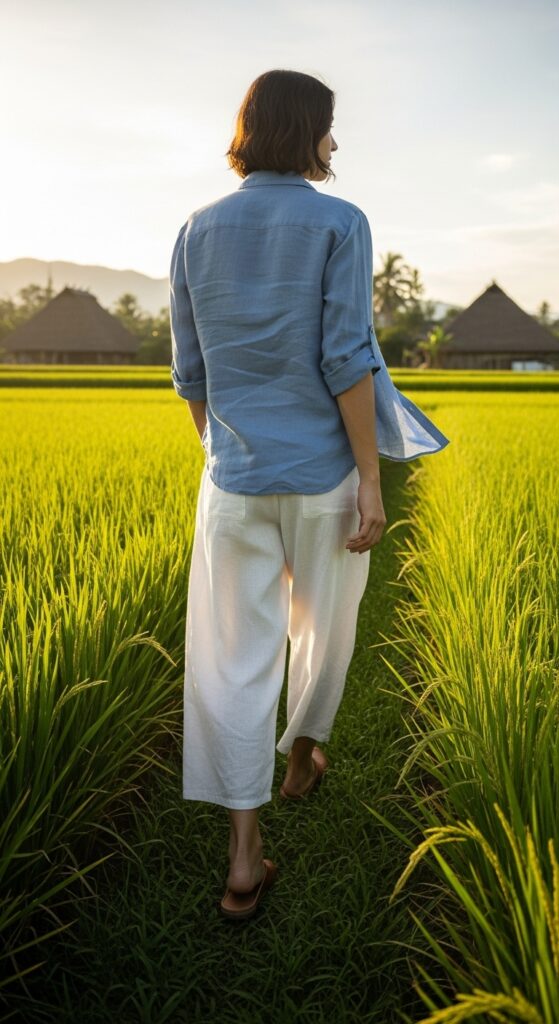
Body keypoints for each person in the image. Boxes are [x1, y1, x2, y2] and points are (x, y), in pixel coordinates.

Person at [169, 69, 450, 920]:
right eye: (329, 128)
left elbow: (190, 370)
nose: (336, 143)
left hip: (235, 480)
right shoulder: (340, 221)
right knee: (322, 631)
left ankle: (244, 858)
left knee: (232, 658)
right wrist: (370, 476)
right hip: (323, 474)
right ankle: (299, 756)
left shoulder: (195, 228)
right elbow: (345, 354)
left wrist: (225, 450)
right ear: (306, 132)